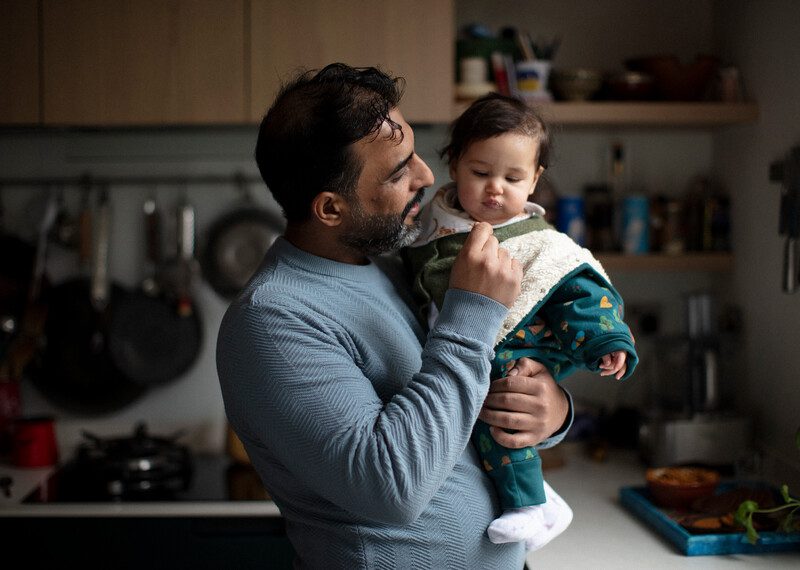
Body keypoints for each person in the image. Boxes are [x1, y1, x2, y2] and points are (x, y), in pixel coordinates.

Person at [216, 63, 575, 569]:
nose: (427, 176)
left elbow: (460, 402)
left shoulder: (395, 268)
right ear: (330, 208)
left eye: (414, 153)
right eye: (399, 170)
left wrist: (549, 411)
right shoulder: (272, 321)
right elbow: (392, 487)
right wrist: (473, 314)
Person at [403, 92, 639, 550]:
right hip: (452, 362)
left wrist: (605, 340)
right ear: (454, 164)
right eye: (480, 173)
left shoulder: (542, 243)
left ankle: (528, 506)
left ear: (535, 180)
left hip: (519, 344)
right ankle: (543, 501)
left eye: (513, 177)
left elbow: (582, 295)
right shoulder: (427, 228)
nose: (495, 188)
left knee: (501, 420)